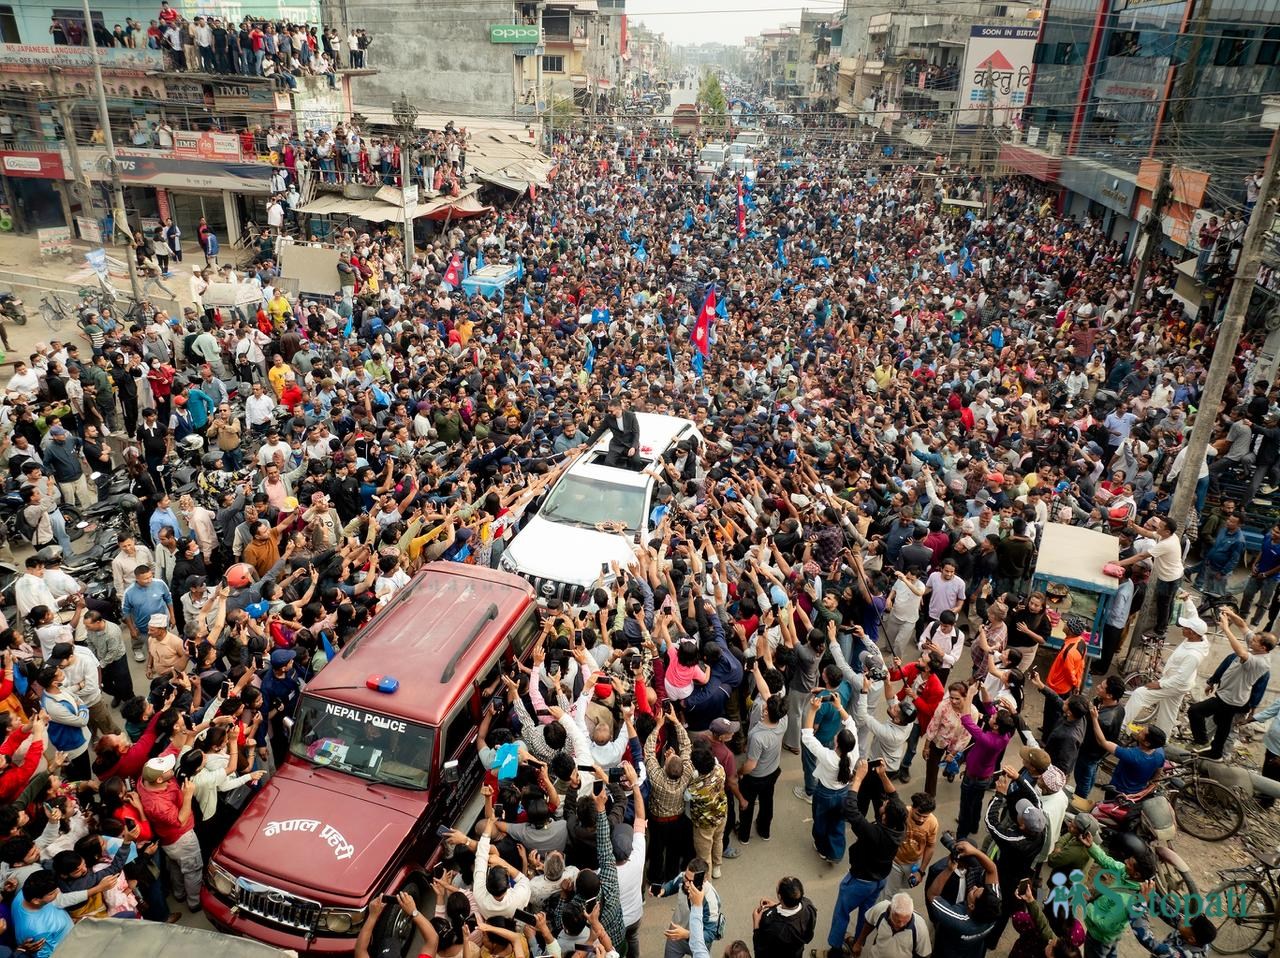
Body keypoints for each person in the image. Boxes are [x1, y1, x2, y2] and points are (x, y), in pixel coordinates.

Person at [826, 759, 906, 951]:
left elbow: (852, 811)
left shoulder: (875, 834)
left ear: (884, 817)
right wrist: (882, 774)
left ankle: (835, 949)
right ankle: (858, 942)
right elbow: (893, 794)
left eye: (884, 806)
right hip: (879, 880)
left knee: (842, 912)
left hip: (860, 881)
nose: (884, 802)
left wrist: (859, 778)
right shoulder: (901, 824)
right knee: (867, 912)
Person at [1189, 609, 1274, 759]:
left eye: (1254, 641)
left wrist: (1226, 628)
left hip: (1230, 699)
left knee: (1195, 711)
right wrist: (1230, 613)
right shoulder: (1256, 648)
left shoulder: (1261, 663)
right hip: (1229, 695)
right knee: (1223, 725)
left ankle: (1201, 741)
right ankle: (1216, 753)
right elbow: (1242, 625)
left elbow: (1240, 653)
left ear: (1263, 648)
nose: (1250, 641)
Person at [1121, 598, 1211, 734]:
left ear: (1192, 633)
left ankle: (1120, 726)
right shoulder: (1199, 637)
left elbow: (1180, 678)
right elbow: (1194, 616)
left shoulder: (1194, 655)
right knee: (1168, 713)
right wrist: (1187, 601)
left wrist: (1160, 685)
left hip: (1176, 684)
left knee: (1140, 694)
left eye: (1186, 628)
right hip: (1179, 682)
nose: (1183, 629)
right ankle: (1163, 739)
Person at [923, 839, 1002, 958]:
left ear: (971, 906)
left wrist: (949, 869)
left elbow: (932, 895)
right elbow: (992, 870)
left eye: (974, 892)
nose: (975, 887)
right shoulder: (993, 908)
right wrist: (975, 852)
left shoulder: (958, 921)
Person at [750, 876, 817, 958]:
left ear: (779, 896)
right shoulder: (808, 905)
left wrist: (756, 924)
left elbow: (761, 951)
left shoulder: (774, 925)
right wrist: (778, 905)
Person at [855, 893, 932, 958]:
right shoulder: (881, 908)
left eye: (906, 920)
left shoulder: (920, 927)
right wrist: (859, 943)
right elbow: (869, 923)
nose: (901, 925)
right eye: (898, 921)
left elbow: (924, 954)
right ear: (890, 910)